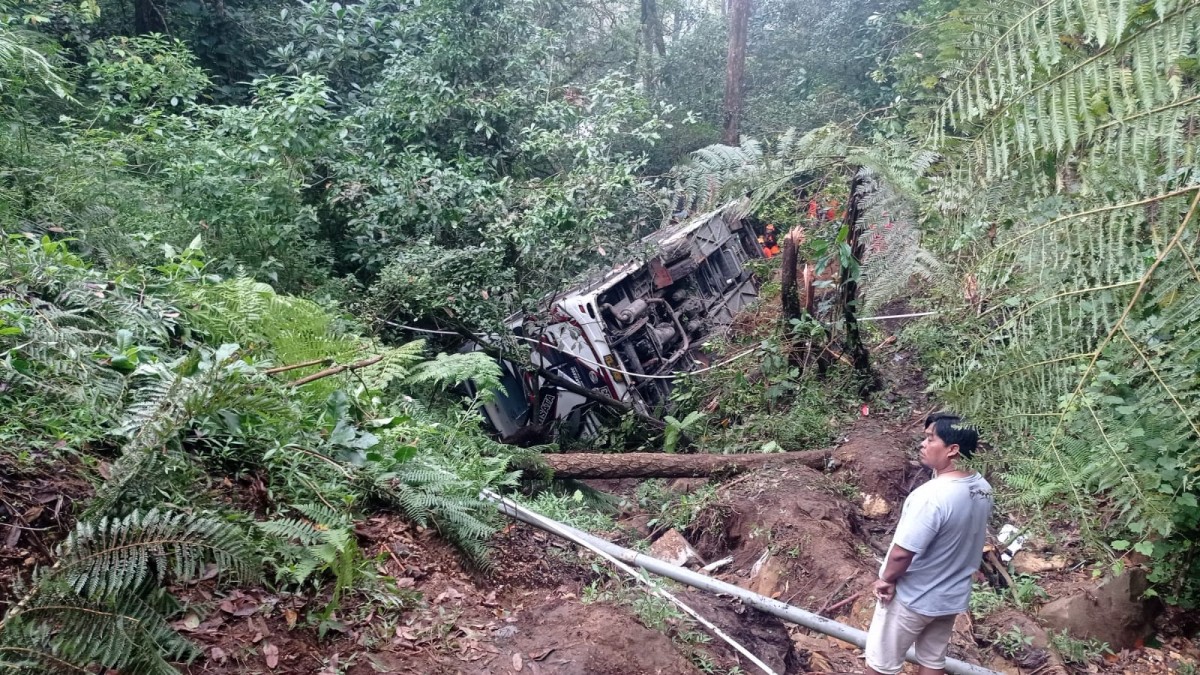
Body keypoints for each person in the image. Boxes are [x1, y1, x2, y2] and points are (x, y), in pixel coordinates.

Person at [865, 413, 993, 675]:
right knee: (932, 661)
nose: (922, 444)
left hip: (913, 597)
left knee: (881, 664)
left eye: (930, 439)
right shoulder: (982, 487)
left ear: (952, 450)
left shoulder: (931, 497)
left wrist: (886, 580)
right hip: (950, 597)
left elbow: (902, 554)